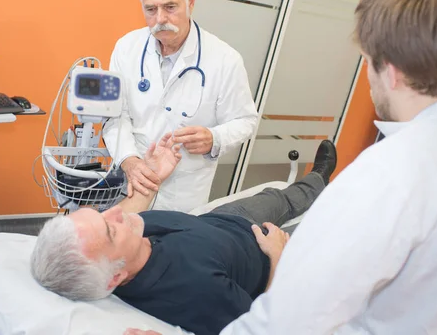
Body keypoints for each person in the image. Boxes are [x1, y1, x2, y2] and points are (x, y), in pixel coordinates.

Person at [188, 0, 437, 334]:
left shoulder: (391, 173)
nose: (368, 74)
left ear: (391, 72)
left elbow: (287, 323)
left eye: (367, 60)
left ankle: (316, 178)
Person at [30, 136, 337, 335]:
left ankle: (318, 177)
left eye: (100, 214)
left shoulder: (123, 246)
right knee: (330, 227)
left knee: (280, 196)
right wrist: (278, 260)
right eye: (110, 228)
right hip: (261, 251)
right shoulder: (195, 292)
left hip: (221, 223)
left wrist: (154, 176)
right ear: (114, 278)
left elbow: (125, 213)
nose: (116, 213)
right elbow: (261, 325)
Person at [102, 0, 258, 213]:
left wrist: (215, 138)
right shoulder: (126, 48)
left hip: (186, 189)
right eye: (150, 9)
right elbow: (114, 116)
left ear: (191, 1)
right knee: (126, 245)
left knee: (174, 248)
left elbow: (245, 121)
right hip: (135, 179)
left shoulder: (225, 59)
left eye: (170, 7)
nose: (160, 19)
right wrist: (129, 161)